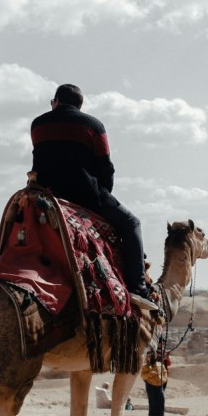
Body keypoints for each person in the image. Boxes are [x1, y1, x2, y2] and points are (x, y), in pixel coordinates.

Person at [29, 83, 156, 311]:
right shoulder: (93, 125)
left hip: (45, 196)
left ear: (56, 101)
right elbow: (105, 167)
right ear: (80, 105)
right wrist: (102, 193)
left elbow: (40, 161)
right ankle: (138, 290)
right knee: (131, 223)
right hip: (86, 195)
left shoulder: (38, 124)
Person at [141, 350, 167, 416]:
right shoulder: (145, 366)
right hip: (150, 385)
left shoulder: (160, 364)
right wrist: (150, 374)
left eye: (151, 356)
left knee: (161, 399)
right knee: (152, 400)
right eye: (148, 356)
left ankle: (161, 415)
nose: (149, 358)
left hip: (159, 384)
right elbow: (143, 376)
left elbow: (165, 372)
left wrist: (164, 379)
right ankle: (153, 415)